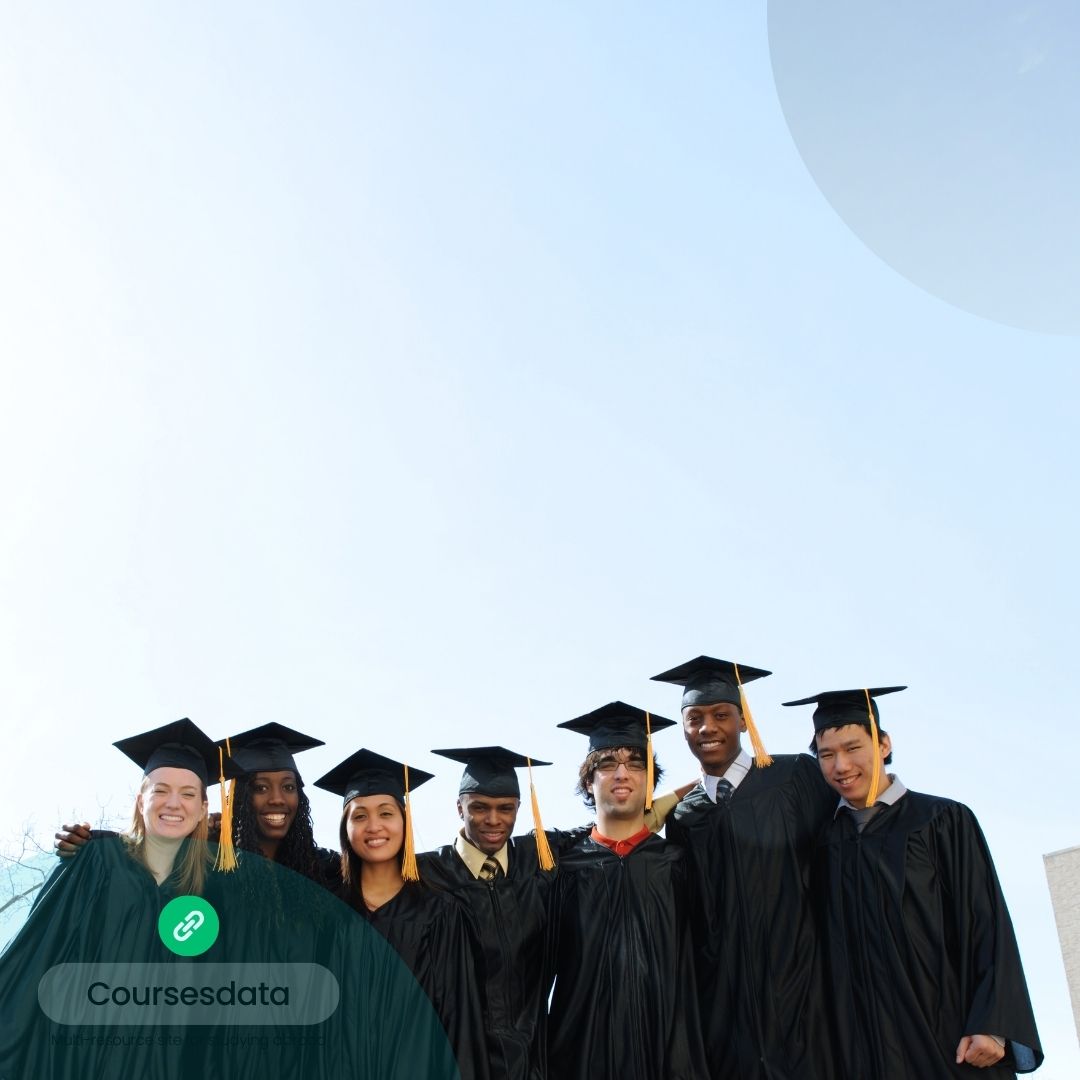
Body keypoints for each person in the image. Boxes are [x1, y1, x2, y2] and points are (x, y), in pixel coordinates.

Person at [785, 686, 1043, 1078]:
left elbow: (986, 924)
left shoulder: (941, 819)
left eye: (853, 748)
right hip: (861, 1049)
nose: (841, 766)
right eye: (826, 754)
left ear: (884, 744)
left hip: (948, 1037)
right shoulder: (820, 843)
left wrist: (991, 1023)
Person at [0, 717, 240, 1079]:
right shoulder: (96, 859)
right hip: (74, 1059)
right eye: (160, 790)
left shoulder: (208, 892)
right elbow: (38, 952)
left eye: (188, 794)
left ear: (204, 809)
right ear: (140, 800)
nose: (173, 803)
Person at [656, 655, 838, 1080]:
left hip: (806, 1007)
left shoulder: (794, 777)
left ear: (743, 720)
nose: (708, 727)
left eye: (721, 714)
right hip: (727, 1022)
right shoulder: (684, 818)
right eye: (694, 718)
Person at [547, 702, 707, 1080]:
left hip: (666, 1054)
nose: (622, 773)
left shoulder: (678, 864)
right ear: (589, 781)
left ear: (650, 779)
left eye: (636, 763)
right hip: (579, 1055)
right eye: (607, 764)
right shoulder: (562, 869)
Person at [314, 747, 490, 1080]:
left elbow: (460, 1026)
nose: (374, 826)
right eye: (359, 815)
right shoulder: (328, 917)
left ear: (404, 822)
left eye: (386, 813)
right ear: (345, 829)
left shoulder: (441, 916)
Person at [220, 721, 340, 887]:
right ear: (239, 797)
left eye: (288, 787)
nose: (277, 799)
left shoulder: (327, 869)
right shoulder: (216, 868)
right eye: (261, 788)